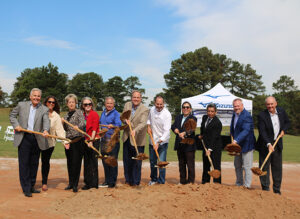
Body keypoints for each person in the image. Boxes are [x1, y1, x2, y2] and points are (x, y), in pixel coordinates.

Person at [9, 88, 50, 197]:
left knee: (34, 164)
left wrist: (46, 130)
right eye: (34, 96)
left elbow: (46, 121)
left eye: (38, 96)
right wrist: (16, 125)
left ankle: (31, 186)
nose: (36, 98)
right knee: (24, 164)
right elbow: (12, 116)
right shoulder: (21, 105)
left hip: (37, 138)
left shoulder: (44, 109)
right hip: (23, 137)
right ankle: (26, 188)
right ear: (30, 96)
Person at [256, 96, 290, 195]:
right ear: (266, 105)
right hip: (265, 145)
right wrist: (268, 144)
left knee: (277, 168)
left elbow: (287, 122)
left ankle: (277, 190)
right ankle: (265, 188)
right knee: (264, 167)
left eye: (272, 104)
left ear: (276, 104)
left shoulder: (281, 111)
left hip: (277, 144)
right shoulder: (262, 115)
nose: (270, 106)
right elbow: (262, 131)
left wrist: (284, 130)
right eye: (268, 104)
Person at [122, 90, 149, 186]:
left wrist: (135, 130)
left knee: (137, 161)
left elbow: (143, 123)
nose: (136, 99)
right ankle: (128, 180)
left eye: (138, 97)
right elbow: (123, 117)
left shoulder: (145, 109)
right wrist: (125, 121)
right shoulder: (127, 105)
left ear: (141, 99)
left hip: (137, 138)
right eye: (134, 97)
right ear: (131, 98)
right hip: (126, 137)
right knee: (127, 160)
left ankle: (136, 181)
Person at [41, 96, 66, 192]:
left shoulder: (56, 116)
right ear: (46, 102)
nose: (51, 103)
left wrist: (65, 141)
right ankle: (31, 181)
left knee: (45, 162)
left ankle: (44, 183)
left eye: (53, 102)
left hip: (49, 143)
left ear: (55, 105)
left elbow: (60, 130)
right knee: (33, 161)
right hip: (38, 141)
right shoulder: (40, 112)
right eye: (49, 102)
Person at [230, 98, 255, 189]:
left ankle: (247, 186)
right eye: (235, 106)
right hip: (237, 145)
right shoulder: (235, 114)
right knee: (237, 165)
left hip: (247, 145)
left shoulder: (247, 115)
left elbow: (246, 130)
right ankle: (239, 183)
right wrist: (232, 135)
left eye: (238, 106)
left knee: (247, 166)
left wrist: (236, 140)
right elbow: (233, 127)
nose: (236, 108)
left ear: (242, 105)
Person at [63, 94, 85, 193]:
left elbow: (83, 123)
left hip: (77, 140)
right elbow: (64, 129)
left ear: (76, 103)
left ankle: (75, 184)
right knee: (70, 162)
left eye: (73, 102)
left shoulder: (79, 112)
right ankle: (70, 183)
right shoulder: (66, 115)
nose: (71, 104)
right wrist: (62, 123)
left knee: (76, 162)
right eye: (69, 102)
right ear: (67, 104)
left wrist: (78, 126)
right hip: (69, 141)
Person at [147, 96, 171, 185]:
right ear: (154, 103)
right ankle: (153, 179)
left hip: (162, 142)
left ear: (163, 104)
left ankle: (161, 181)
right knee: (152, 161)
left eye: (161, 104)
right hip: (152, 140)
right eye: (157, 104)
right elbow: (148, 119)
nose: (159, 106)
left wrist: (158, 142)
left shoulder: (167, 114)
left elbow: (167, 132)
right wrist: (148, 127)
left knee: (161, 162)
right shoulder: (152, 110)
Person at [171, 101, 197, 184]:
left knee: (190, 165)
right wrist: (175, 129)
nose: (185, 109)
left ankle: (190, 182)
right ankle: (182, 181)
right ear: (182, 109)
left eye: (187, 107)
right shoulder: (178, 117)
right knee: (181, 164)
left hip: (189, 145)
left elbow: (192, 129)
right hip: (180, 145)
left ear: (190, 109)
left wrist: (185, 133)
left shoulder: (193, 118)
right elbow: (173, 126)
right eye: (184, 107)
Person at [99, 96, 122, 188]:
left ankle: (112, 181)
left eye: (111, 103)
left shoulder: (116, 113)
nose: (109, 105)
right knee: (105, 161)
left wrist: (113, 125)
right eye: (107, 103)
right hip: (104, 141)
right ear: (105, 104)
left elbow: (119, 124)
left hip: (113, 141)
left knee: (112, 161)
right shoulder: (103, 113)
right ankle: (107, 180)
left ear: (114, 104)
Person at [198, 103, 222, 184]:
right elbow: (203, 128)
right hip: (205, 146)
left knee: (216, 167)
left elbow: (214, 138)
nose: (210, 113)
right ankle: (205, 183)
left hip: (215, 148)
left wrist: (209, 149)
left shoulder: (217, 123)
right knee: (206, 166)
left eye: (212, 111)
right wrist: (201, 135)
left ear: (216, 112)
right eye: (208, 111)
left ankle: (217, 184)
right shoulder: (205, 118)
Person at [81, 97, 100, 190]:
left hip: (93, 140)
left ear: (92, 105)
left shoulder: (94, 114)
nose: (87, 106)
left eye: (89, 104)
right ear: (83, 106)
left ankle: (94, 183)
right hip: (85, 141)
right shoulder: (82, 115)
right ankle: (87, 183)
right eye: (85, 104)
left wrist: (91, 141)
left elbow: (94, 128)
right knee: (86, 162)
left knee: (93, 162)